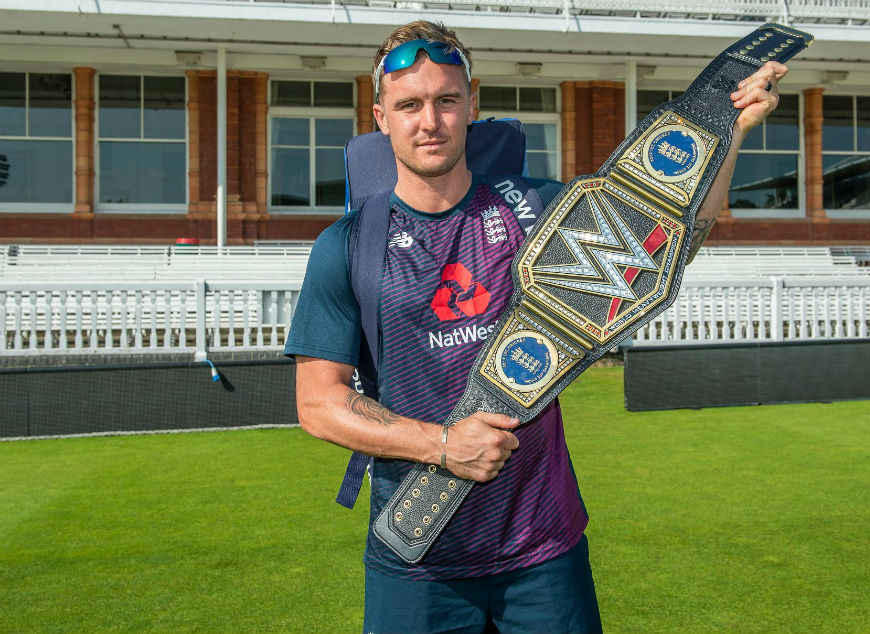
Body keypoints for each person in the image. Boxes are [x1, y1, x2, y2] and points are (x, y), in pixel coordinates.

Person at [285, 20, 786, 634]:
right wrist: (443, 445)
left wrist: (728, 132)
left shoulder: (534, 212)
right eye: (409, 105)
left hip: (542, 553)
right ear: (381, 117)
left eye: (446, 100)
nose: (430, 121)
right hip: (418, 561)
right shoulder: (347, 246)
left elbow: (670, 242)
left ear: (472, 104)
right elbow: (318, 404)